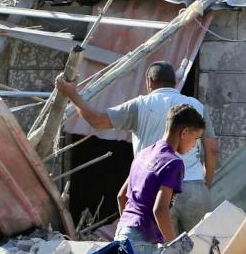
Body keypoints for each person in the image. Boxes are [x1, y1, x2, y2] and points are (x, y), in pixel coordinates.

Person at [55, 61, 219, 234]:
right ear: (175, 82)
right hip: (194, 189)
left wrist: (72, 94)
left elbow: (97, 120)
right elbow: (213, 149)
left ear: (149, 81)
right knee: (201, 252)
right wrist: (205, 183)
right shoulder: (197, 107)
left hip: (153, 192)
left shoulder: (140, 106)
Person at [113, 104, 207, 251]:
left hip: (122, 233)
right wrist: (174, 247)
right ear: (184, 132)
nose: (194, 145)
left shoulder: (143, 153)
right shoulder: (173, 163)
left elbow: (121, 197)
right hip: (140, 242)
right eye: (195, 138)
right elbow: (160, 210)